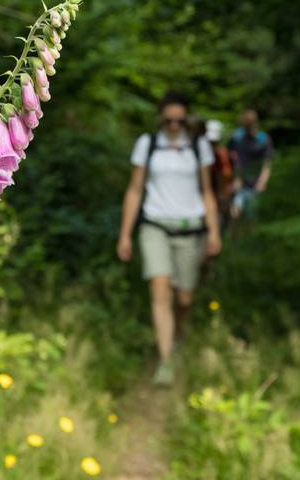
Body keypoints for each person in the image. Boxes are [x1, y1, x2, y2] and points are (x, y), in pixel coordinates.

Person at [117, 91, 222, 386]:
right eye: (169, 120)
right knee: (160, 291)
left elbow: (207, 191)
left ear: (186, 118)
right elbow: (135, 190)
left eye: (179, 120)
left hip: (191, 229)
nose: (174, 125)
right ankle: (165, 361)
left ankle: (179, 333)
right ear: (161, 117)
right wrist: (125, 234)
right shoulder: (147, 144)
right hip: (154, 226)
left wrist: (214, 231)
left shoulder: (199, 147)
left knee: (184, 297)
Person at [228, 108, 274, 219]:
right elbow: (231, 158)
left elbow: (267, 164)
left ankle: (249, 235)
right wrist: (234, 178)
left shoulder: (263, 139)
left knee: (251, 216)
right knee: (235, 214)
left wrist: (262, 181)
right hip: (239, 181)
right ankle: (235, 235)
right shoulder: (237, 137)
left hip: (254, 182)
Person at [205, 120, 233, 231]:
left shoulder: (223, 155)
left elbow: (227, 175)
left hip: (218, 199)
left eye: (214, 142)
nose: (212, 146)